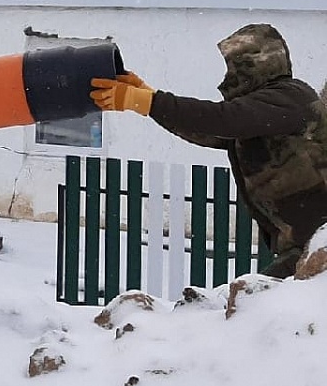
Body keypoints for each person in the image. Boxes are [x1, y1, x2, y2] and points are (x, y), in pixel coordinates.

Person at [92, 23, 327, 278]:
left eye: (234, 67)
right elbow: (210, 131)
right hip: (303, 241)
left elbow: (222, 119)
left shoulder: (290, 97)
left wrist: (148, 101)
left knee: (256, 307)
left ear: (255, 65)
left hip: (318, 237)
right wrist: (147, 97)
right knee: (259, 305)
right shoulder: (264, 110)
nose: (229, 76)